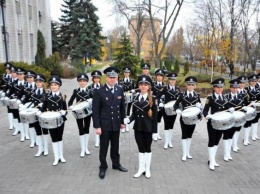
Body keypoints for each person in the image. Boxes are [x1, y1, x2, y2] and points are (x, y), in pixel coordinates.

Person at [92, 66, 128, 179]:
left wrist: (122, 121)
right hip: (104, 125)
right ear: (106, 77)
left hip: (116, 123)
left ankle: (116, 164)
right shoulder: (99, 91)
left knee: (115, 146)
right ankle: (103, 167)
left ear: (117, 77)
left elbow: (122, 108)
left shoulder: (119, 89)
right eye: (110, 77)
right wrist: (97, 126)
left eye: (115, 77)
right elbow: (95, 111)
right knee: (104, 147)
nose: (112, 79)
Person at [124, 75, 157, 178]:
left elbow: (155, 117)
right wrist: (129, 119)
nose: (143, 86)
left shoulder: (153, 99)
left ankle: (147, 169)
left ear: (149, 86)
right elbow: (134, 113)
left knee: (148, 148)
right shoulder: (135, 98)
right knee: (140, 148)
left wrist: (155, 132)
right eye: (141, 84)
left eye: (145, 85)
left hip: (148, 128)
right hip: (138, 127)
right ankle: (141, 168)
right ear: (138, 86)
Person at [203, 78, 234, 171]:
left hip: (221, 123)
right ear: (214, 87)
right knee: (212, 141)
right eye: (218, 87)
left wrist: (231, 109)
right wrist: (206, 115)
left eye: (221, 87)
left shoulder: (225, 97)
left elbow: (228, 107)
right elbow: (205, 109)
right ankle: (211, 162)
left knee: (217, 141)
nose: (220, 89)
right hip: (212, 123)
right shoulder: (210, 98)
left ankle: (212, 159)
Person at [37, 75, 67, 166]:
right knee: (53, 138)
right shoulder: (46, 96)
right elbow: (43, 108)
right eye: (52, 85)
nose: (53, 86)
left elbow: (65, 110)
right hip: (50, 120)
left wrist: (63, 112)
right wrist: (39, 112)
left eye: (55, 85)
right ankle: (56, 157)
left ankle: (61, 156)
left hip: (60, 120)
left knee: (60, 137)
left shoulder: (62, 96)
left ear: (59, 86)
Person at [174, 76, 202, 161]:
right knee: (184, 135)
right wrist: (177, 110)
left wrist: (200, 106)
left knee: (190, 135)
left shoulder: (197, 96)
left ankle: (188, 152)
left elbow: (200, 106)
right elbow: (175, 105)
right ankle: (184, 153)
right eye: (189, 85)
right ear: (187, 85)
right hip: (184, 118)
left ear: (194, 86)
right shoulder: (182, 95)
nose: (190, 86)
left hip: (193, 119)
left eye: (192, 85)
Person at [68, 73, 93, 157]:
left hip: (87, 113)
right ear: (78, 82)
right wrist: (70, 106)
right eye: (80, 81)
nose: (82, 83)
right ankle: (82, 149)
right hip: (78, 113)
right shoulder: (76, 91)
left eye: (84, 81)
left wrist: (91, 100)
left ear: (86, 82)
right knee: (81, 130)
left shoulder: (90, 91)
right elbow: (70, 101)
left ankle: (86, 148)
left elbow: (95, 100)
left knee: (87, 129)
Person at [223, 79, 247, 161]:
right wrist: (228, 109)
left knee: (231, 136)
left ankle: (228, 153)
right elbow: (223, 109)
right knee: (226, 137)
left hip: (236, 120)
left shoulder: (241, 97)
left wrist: (244, 109)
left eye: (236, 88)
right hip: (228, 120)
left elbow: (242, 107)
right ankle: (225, 154)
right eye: (233, 87)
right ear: (230, 88)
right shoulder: (225, 97)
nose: (235, 89)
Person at [30, 74, 49, 157]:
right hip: (35, 113)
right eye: (36, 82)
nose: (38, 83)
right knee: (37, 131)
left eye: (40, 82)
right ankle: (40, 149)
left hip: (43, 113)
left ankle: (46, 149)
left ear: (43, 83)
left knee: (44, 131)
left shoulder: (47, 93)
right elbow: (27, 100)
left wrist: (44, 105)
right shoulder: (32, 91)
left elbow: (50, 104)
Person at [6, 67, 27, 141]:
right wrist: (7, 97)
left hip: (23, 104)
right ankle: (20, 131)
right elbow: (10, 92)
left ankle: (26, 134)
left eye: (21, 74)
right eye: (18, 74)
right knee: (16, 117)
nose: (19, 76)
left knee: (24, 118)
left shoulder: (26, 83)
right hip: (15, 103)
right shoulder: (14, 83)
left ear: (24, 75)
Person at [160, 72, 180, 149]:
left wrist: (179, 108)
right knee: (166, 125)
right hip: (166, 109)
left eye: (174, 80)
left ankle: (170, 141)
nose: (172, 81)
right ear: (169, 80)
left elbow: (179, 99)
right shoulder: (165, 88)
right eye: (171, 80)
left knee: (171, 125)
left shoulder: (177, 88)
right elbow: (158, 96)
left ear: (175, 81)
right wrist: (160, 103)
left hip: (174, 110)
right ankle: (166, 142)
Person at [88, 70, 102, 148]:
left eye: (98, 78)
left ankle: (101, 139)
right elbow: (88, 97)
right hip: (94, 108)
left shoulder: (103, 87)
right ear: (93, 79)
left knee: (102, 123)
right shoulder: (89, 87)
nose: (96, 79)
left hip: (102, 108)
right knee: (96, 123)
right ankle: (97, 140)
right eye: (95, 78)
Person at [234, 75, 249, 150]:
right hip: (235, 113)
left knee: (238, 129)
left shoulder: (245, 92)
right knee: (234, 129)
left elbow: (246, 102)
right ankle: (233, 145)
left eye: (243, 83)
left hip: (242, 113)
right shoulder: (235, 91)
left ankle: (235, 144)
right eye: (240, 83)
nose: (242, 84)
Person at [245, 74, 260, 143]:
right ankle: (246, 138)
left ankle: (254, 134)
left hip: (257, 107)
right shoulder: (246, 90)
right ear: (249, 82)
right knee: (248, 122)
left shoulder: (258, 89)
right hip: (249, 108)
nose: (253, 82)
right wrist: (249, 103)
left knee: (256, 121)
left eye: (255, 81)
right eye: (252, 81)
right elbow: (244, 101)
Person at [119, 67, 135, 132]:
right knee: (123, 111)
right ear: (124, 73)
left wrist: (133, 91)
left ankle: (127, 125)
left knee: (128, 111)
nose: (126, 74)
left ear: (129, 73)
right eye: (125, 72)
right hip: (123, 98)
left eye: (128, 73)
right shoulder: (121, 81)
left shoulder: (132, 81)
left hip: (129, 98)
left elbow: (133, 89)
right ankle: (123, 125)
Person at [1, 63, 15, 130]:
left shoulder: (15, 77)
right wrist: (3, 92)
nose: (7, 70)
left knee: (14, 110)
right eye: (6, 68)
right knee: (9, 109)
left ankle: (15, 124)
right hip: (7, 94)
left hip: (13, 95)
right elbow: (2, 85)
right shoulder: (4, 76)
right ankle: (11, 124)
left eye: (8, 69)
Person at [152, 69, 165, 141]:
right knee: (153, 119)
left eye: (161, 76)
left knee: (159, 120)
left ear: (163, 77)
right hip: (154, 105)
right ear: (156, 77)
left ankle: (158, 133)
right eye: (158, 76)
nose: (159, 77)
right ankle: (153, 133)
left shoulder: (165, 86)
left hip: (161, 105)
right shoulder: (153, 85)